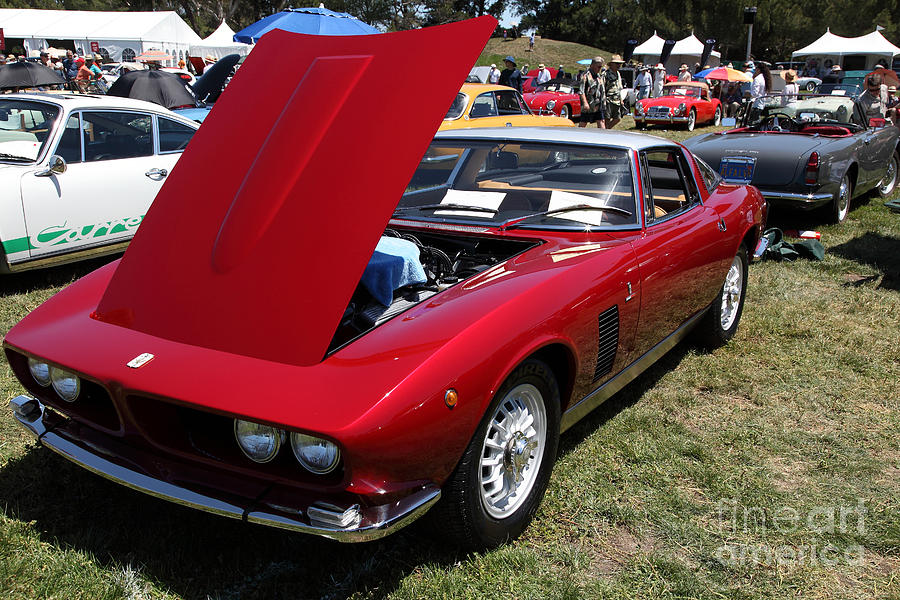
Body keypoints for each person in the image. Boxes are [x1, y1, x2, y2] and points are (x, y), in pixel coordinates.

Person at [578, 56, 606, 129]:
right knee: (583, 123)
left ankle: (603, 137)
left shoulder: (598, 76)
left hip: (597, 105)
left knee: (601, 122)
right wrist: (585, 103)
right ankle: (577, 135)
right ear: (592, 65)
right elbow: (581, 91)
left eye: (601, 67)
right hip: (588, 104)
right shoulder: (585, 75)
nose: (599, 68)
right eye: (598, 66)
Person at [604, 54, 625, 129]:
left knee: (618, 118)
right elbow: (602, 88)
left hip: (617, 100)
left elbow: (619, 88)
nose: (618, 65)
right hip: (608, 100)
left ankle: (606, 130)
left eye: (620, 64)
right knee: (607, 118)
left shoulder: (618, 74)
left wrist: (621, 99)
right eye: (617, 63)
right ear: (611, 64)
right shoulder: (606, 74)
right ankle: (605, 132)